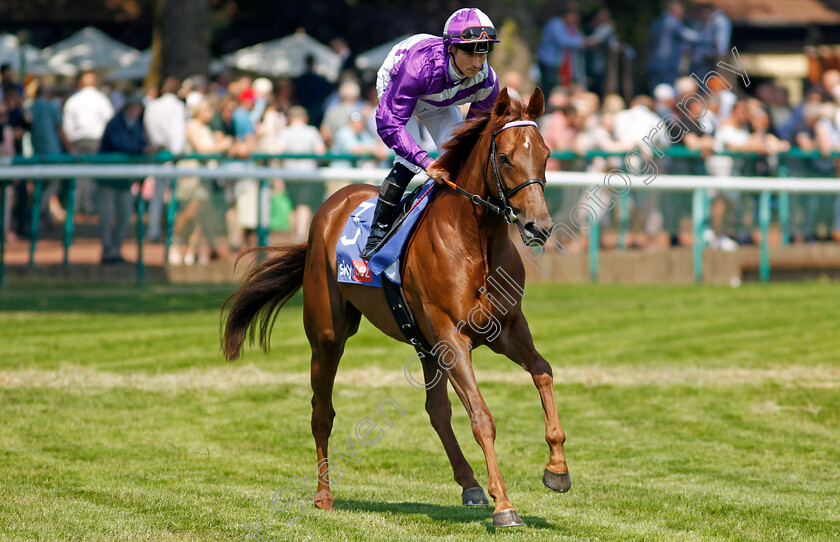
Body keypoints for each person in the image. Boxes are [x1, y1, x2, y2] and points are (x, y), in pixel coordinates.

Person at [359, 7, 501, 260]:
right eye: (470, 52)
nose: (478, 63)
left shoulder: (486, 80)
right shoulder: (417, 67)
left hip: (439, 100)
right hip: (400, 83)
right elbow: (390, 123)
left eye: (484, 52)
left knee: (461, 159)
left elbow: (475, 136)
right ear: (451, 48)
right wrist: (425, 162)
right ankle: (377, 234)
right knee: (408, 161)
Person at [96, 95, 150, 264]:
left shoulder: (136, 125)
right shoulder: (115, 123)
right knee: (106, 214)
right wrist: (142, 149)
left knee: (125, 214)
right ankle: (107, 250)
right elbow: (119, 144)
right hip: (107, 176)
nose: (136, 111)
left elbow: (137, 144)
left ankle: (115, 248)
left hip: (123, 178)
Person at [62, 72, 114, 215]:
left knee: (79, 175)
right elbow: (110, 121)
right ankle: (89, 205)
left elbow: (67, 125)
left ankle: (78, 205)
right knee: (94, 175)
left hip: (78, 141)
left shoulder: (74, 100)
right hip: (96, 141)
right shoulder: (101, 99)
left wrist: (70, 142)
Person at [143, 76, 185, 242]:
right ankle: (172, 232)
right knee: (174, 195)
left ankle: (154, 230)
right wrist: (177, 153)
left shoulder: (152, 105)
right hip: (170, 154)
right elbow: (177, 133)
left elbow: (148, 127)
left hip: (156, 152)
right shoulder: (177, 106)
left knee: (157, 195)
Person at [648, 1, 702, 89]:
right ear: (675, 10)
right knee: (669, 90)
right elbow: (688, 36)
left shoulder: (657, 22)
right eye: (681, 11)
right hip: (668, 64)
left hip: (655, 62)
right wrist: (705, 37)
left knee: (657, 90)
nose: (683, 14)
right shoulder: (672, 21)